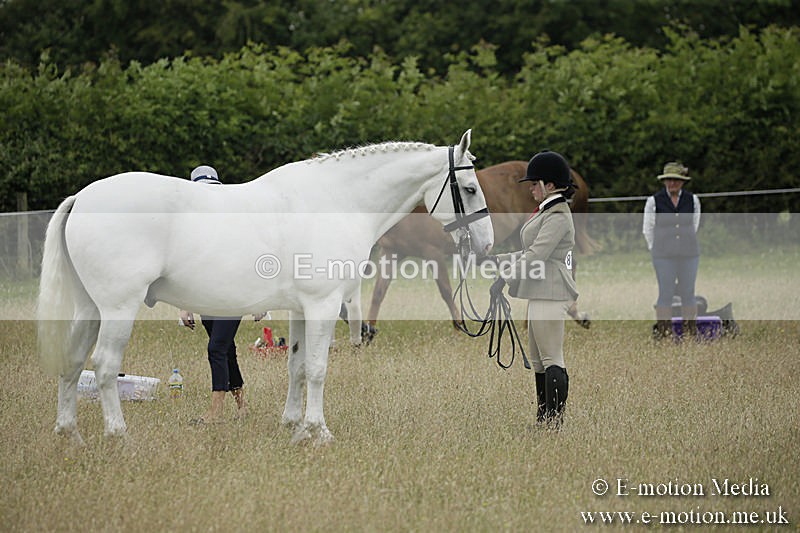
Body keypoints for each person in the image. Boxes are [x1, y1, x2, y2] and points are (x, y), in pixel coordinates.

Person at [490, 150, 578, 428]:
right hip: (540, 290)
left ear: (549, 185)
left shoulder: (558, 215)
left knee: (552, 358)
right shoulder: (547, 211)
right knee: (539, 362)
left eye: (534, 183)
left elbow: (535, 256)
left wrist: (504, 277)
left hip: (552, 291)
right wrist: (494, 261)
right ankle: (543, 418)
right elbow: (527, 252)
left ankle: (554, 422)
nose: (530, 188)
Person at [179, 165, 250, 423]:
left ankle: (215, 413)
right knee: (227, 349)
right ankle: (242, 408)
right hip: (207, 298)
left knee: (216, 348)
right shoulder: (192, 230)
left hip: (234, 295)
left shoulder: (236, 223)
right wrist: (185, 306)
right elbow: (189, 270)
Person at [642, 162, 701, 340]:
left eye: (676, 180)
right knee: (665, 293)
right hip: (663, 255)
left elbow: (694, 224)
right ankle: (664, 332)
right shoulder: (653, 201)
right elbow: (648, 229)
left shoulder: (693, 200)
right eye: (669, 180)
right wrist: (657, 249)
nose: (672, 184)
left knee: (688, 293)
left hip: (689, 254)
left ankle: (690, 332)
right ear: (665, 182)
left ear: (682, 182)